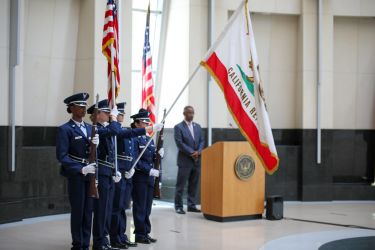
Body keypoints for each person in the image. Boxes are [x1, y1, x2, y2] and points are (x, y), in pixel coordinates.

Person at [56, 92, 99, 250]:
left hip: (91, 173)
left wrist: (97, 144)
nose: (83, 109)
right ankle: (77, 244)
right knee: (78, 211)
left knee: (88, 211)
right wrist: (81, 169)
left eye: (84, 106)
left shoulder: (90, 128)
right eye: (80, 106)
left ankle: (86, 243)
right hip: (77, 175)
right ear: (71, 108)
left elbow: (94, 153)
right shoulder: (65, 129)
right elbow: (62, 156)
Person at [131, 109, 164, 244]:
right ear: (137, 124)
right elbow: (135, 160)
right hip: (140, 178)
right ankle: (139, 234)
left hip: (150, 179)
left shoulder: (148, 138)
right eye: (144, 123)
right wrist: (149, 170)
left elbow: (152, 158)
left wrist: (159, 154)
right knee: (139, 206)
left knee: (147, 207)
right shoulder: (134, 138)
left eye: (147, 123)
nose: (146, 125)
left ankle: (145, 231)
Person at [109, 102, 138, 249]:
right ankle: (114, 237)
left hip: (127, 171)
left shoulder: (124, 130)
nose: (122, 115)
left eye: (122, 113)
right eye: (119, 113)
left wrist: (132, 167)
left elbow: (131, 153)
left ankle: (122, 235)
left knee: (123, 207)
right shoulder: (115, 131)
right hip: (119, 170)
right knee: (116, 206)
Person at [174, 106, 205, 214]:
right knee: (181, 185)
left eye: (192, 113)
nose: (191, 115)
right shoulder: (178, 127)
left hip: (196, 160)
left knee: (194, 184)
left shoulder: (198, 126)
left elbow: (202, 141)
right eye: (189, 113)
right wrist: (192, 152)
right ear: (184, 113)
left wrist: (199, 151)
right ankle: (178, 206)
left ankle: (191, 205)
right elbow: (180, 143)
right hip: (185, 161)